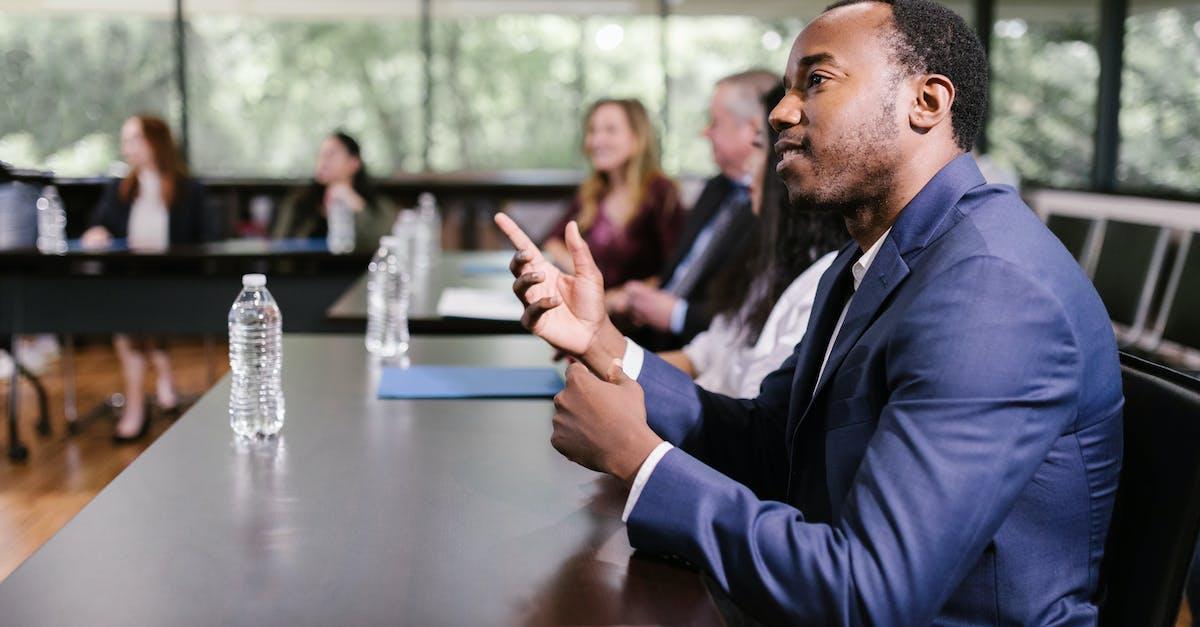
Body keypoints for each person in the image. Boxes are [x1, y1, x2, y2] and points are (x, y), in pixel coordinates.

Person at [495, 0, 1124, 623]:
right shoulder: (869, 258)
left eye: (816, 81)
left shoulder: (991, 290)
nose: (779, 112)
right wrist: (604, 342)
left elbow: (869, 593)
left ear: (926, 103)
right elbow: (776, 445)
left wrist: (639, 459)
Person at [659, 85, 849, 398]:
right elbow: (701, 355)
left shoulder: (819, 282)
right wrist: (603, 356)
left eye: (758, 147)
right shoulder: (768, 262)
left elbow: (752, 415)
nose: (748, 167)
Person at [618, 70, 778, 351]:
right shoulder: (717, 187)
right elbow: (678, 270)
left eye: (715, 122)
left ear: (753, 130)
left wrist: (676, 316)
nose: (705, 132)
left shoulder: (778, 209)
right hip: (648, 333)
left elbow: (754, 316)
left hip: (704, 351)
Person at [81, 115, 216, 442]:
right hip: (132, 284)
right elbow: (98, 226)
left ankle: (139, 407)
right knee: (131, 317)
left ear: (155, 143)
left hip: (177, 286)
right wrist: (96, 233)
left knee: (134, 319)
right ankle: (146, 397)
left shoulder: (188, 190)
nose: (126, 148)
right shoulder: (120, 189)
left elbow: (208, 241)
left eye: (133, 139)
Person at [543, 99, 682, 289]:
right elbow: (552, 242)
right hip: (594, 308)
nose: (596, 141)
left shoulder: (661, 192)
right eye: (593, 131)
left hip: (639, 313)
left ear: (637, 138)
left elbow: (678, 268)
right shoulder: (593, 192)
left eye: (610, 130)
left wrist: (625, 298)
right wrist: (588, 277)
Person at [271, 131, 396, 250]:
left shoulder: (377, 204)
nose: (323, 161)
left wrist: (355, 203)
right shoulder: (298, 202)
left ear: (354, 162)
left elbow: (385, 243)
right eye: (320, 155)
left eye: (331, 154)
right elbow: (279, 245)